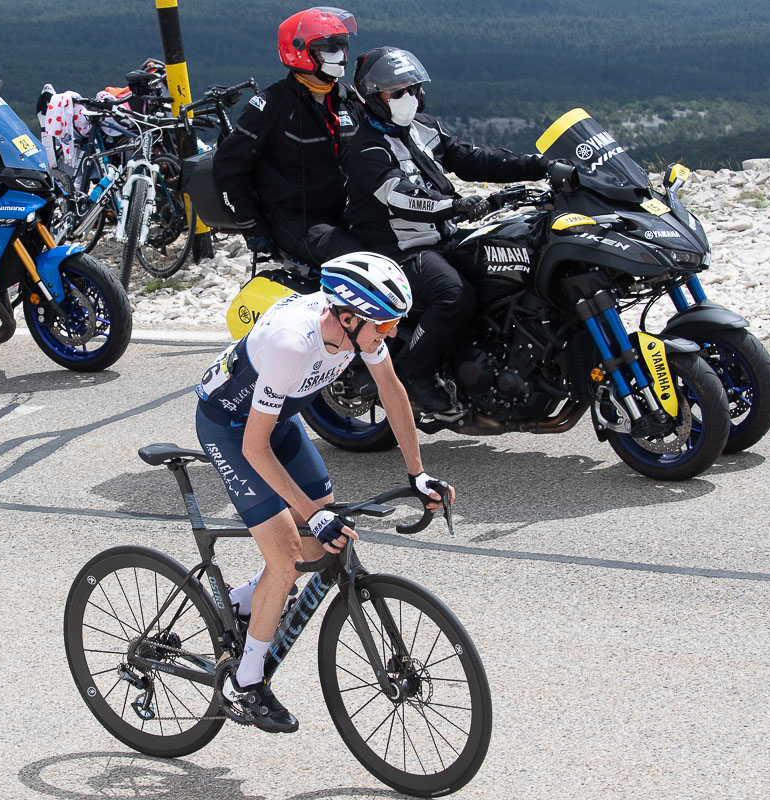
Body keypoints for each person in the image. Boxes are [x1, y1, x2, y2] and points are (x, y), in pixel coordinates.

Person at [195, 251, 455, 732]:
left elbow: (392, 389)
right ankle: (244, 684)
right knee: (288, 556)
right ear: (349, 317)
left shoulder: (357, 327)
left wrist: (418, 472)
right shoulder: (292, 344)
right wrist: (311, 512)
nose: (392, 333)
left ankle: (243, 600)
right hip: (232, 432)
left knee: (319, 543)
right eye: (386, 324)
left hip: (278, 424)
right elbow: (255, 447)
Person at [342, 46, 573, 411]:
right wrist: (454, 205)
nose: (409, 98)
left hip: (443, 239)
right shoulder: (366, 148)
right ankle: (414, 374)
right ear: (373, 99)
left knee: (513, 265)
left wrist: (539, 166)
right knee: (454, 294)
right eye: (396, 92)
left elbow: (472, 158)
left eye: (413, 89)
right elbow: (400, 196)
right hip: (398, 250)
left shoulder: (424, 128)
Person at [212, 7, 364, 267]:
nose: (341, 56)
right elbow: (228, 165)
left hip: (348, 214)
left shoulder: (348, 99)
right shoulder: (272, 105)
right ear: (300, 51)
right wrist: (252, 227)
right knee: (358, 262)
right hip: (296, 221)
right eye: (329, 47)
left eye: (342, 46)